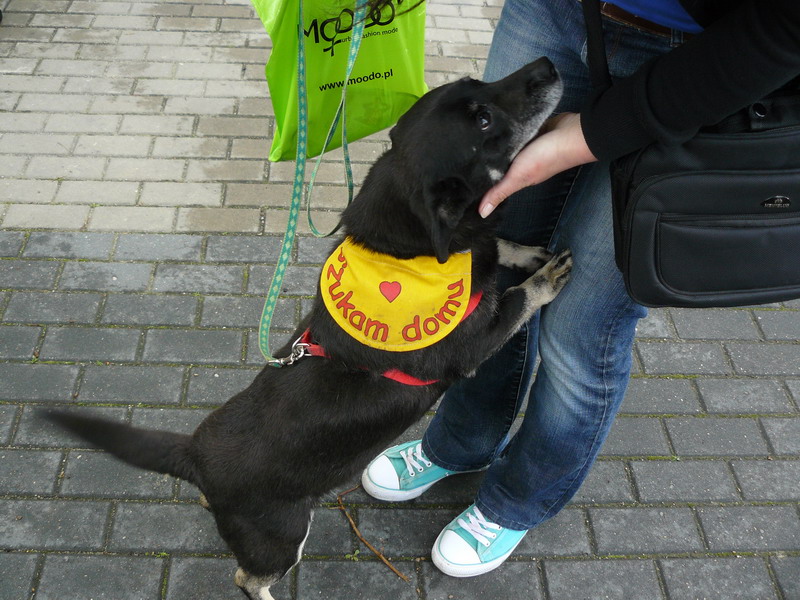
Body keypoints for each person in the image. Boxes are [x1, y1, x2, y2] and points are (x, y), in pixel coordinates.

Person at [362, 0, 800, 578]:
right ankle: (462, 444)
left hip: (704, 59)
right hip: (552, 11)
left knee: (580, 330)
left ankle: (516, 499)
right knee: (489, 273)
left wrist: (587, 136)